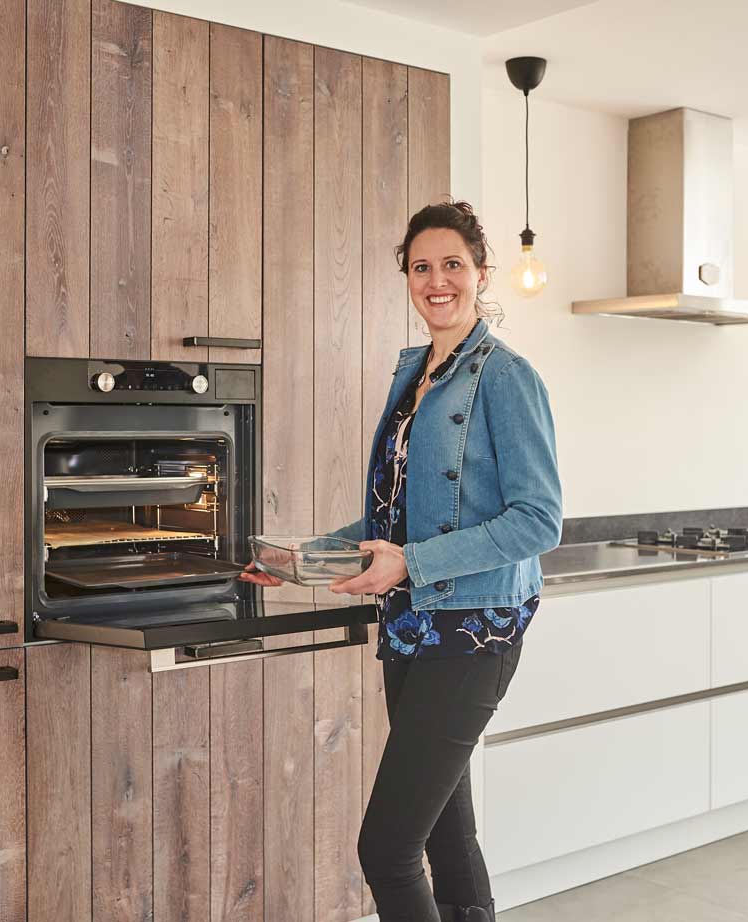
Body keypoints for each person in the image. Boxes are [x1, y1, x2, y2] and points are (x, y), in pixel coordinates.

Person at [243, 201, 562, 922]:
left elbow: (538, 521)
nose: (436, 280)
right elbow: (393, 517)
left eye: (452, 264)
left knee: (385, 849)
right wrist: (301, 559)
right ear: (407, 279)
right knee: (447, 835)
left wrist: (411, 564)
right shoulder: (416, 374)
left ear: (481, 273)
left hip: (473, 630)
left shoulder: (504, 377)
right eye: (421, 267)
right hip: (411, 627)